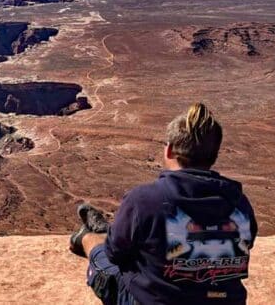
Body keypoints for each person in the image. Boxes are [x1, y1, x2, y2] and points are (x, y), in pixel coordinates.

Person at [69, 103, 258, 305]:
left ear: (169, 150)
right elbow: (244, 246)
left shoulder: (144, 200)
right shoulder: (240, 203)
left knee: (100, 250)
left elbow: (115, 254)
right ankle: (108, 229)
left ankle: (85, 236)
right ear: (214, 156)